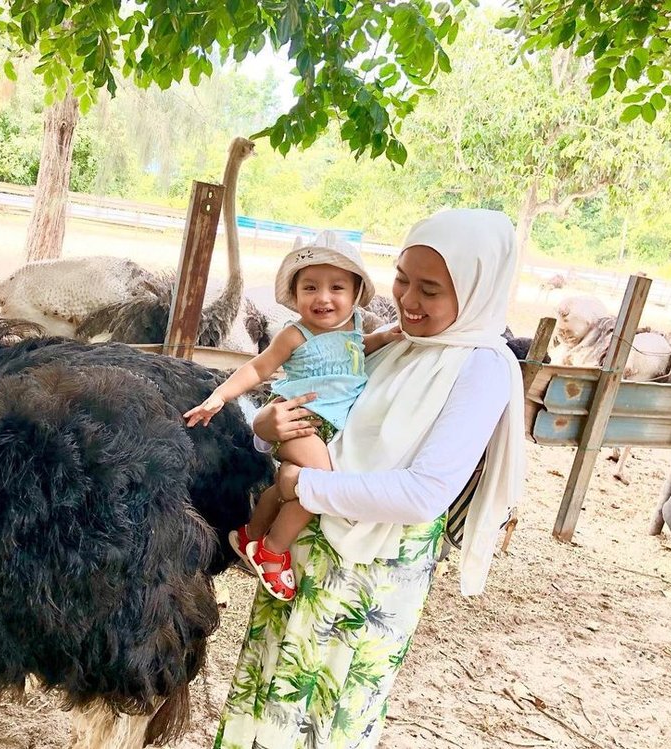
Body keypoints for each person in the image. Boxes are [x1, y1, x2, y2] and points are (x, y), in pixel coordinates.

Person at [213, 208, 525, 749]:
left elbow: (423, 493)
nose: (407, 300)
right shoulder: (394, 341)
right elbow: (326, 419)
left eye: (430, 290)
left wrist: (296, 488)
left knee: (324, 718)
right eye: (403, 278)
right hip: (301, 556)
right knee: (271, 699)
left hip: (368, 574)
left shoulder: (480, 366)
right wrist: (267, 427)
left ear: (477, 290)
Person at [184, 231, 401, 601]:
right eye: (311, 287)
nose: (323, 298)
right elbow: (257, 368)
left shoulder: (356, 324)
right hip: (300, 419)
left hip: (330, 426)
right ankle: (272, 549)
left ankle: (251, 532)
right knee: (320, 487)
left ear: (355, 292)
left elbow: (354, 350)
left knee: (290, 491)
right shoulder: (293, 335)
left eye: (336, 287)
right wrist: (219, 396)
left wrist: (381, 338)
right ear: (296, 294)